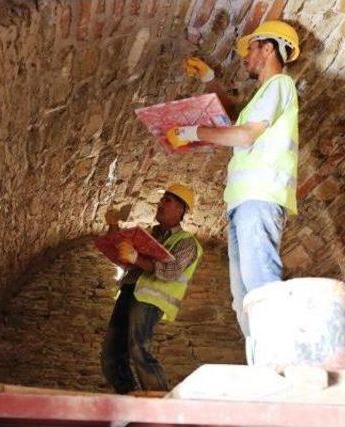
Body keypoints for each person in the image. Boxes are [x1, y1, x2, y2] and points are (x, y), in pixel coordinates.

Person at [166, 21, 300, 362]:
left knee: (260, 284)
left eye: (251, 49)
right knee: (242, 298)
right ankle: (263, 368)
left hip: (260, 196)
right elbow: (237, 118)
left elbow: (243, 135)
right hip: (244, 202)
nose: (246, 57)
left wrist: (193, 132)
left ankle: (280, 365)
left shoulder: (281, 84)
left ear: (269, 49)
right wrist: (211, 79)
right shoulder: (264, 95)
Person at [100, 184, 203, 393]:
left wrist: (136, 257)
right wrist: (113, 228)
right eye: (162, 199)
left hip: (150, 300)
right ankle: (131, 398)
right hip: (129, 291)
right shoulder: (149, 234)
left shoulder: (187, 243)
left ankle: (159, 404)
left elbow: (171, 270)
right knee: (110, 355)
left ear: (181, 210)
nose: (160, 204)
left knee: (139, 348)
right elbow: (124, 257)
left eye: (168, 200)